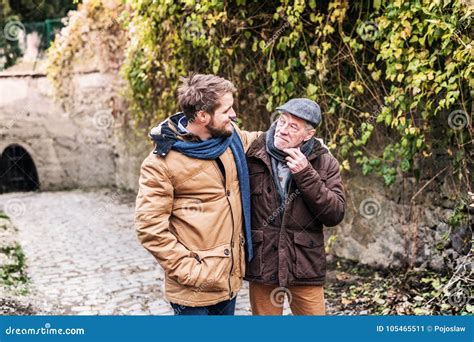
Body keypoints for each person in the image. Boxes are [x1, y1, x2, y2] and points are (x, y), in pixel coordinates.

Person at [135, 73, 261, 315]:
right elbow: (149, 228)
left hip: (228, 279)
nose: (234, 115)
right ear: (203, 116)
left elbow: (256, 141)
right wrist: (192, 272)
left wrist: (306, 142)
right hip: (192, 289)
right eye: (227, 110)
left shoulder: (229, 138)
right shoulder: (160, 164)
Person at [244, 98, 346, 315]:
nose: (282, 130)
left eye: (293, 126)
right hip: (264, 264)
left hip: (304, 265)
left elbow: (335, 213)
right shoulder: (253, 153)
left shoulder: (324, 161)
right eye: (281, 121)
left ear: (308, 134)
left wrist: (305, 174)